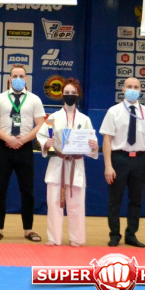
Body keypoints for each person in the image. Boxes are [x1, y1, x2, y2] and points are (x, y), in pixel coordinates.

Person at [35, 78, 99, 247]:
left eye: (73, 93)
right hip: (58, 161)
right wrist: (46, 143)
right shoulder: (52, 118)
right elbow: (41, 136)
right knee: (54, 204)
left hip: (76, 164)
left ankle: (76, 238)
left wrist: (93, 146)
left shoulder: (85, 119)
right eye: (67, 92)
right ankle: (54, 238)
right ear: (62, 94)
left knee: (76, 204)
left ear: (78, 95)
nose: (70, 95)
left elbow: (91, 142)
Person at [100, 77, 145, 248]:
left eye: (136, 87)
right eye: (129, 86)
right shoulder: (113, 111)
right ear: (123, 89)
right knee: (115, 200)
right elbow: (107, 140)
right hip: (118, 158)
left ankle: (131, 234)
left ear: (140, 90)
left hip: (139, 160)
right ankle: (114, 235)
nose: (132, 89)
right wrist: (108, 165)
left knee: (136, 200)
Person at [0, 64, 45, 242]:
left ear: (26, 79)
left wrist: (23, 139)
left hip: (25, 147)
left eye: (21, 76)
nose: (18, 79)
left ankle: (28, 229)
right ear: (9, 79)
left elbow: (40, 124)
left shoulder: (34, 99)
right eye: (15, 76)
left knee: (27, 191)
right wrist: (8, 138)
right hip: (3, 147)